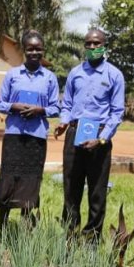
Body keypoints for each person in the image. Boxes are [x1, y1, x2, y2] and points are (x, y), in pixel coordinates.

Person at [54, 28, 125, 240]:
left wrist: (102, 138)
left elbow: (117, 112)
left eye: (97, 43)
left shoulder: (114, 75)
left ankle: (92, 238)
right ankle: (70, 234)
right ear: (84, 46)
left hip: (100, 137)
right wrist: (63, 122)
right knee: (71, 187)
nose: (92, 47)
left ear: (104, 46)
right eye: (89, 44)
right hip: (74, 134)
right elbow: (66, 104)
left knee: (97, 191)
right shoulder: (75, 73)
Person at [0, 31, 59, 230]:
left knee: (31, 179)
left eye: (38, 48)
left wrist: (40, 110)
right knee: (9, 177)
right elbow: (0, 103)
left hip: (37, 136)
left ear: (43, 50)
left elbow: (56, 107)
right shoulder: (12, 75)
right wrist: (14, 107)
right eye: (30, 48)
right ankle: (2, 226)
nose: (34, 52)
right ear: (24, 50)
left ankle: (25, 226)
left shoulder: (50, 78)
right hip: (14, 134)